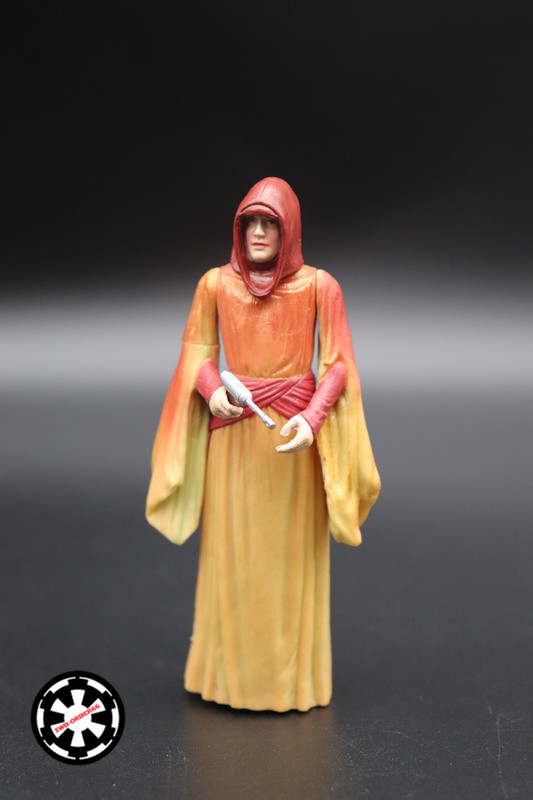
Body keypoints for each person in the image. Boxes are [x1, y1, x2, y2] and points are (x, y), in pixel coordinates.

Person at [146, 177, 380, 712]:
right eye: (249, 222)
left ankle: (290, 683)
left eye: (269, 223)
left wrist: (313, 419)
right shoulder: (214, 285)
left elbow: (338, 365)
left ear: (288, 229)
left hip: (292, 443)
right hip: (234, 438)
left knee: (286, 564)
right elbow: (197, 351)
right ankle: (226, 678)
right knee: (234, 559)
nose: (257, 232)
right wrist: (212, 389)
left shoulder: (321, 287)